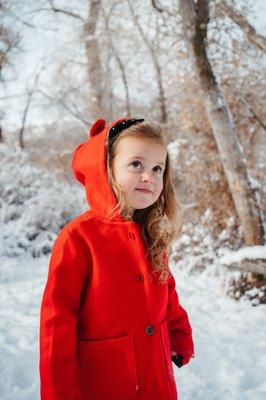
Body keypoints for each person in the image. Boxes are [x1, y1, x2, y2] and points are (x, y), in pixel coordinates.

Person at [39, 117, 195, 400]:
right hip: (106, 381)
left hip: (156, 378)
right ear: (106, 169)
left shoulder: (152, 234)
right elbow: (56, 324)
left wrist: (178, 331)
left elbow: (166, 290)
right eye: (136, 164)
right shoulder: (78, 238)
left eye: (157, 168)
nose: (149, 176)